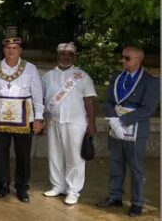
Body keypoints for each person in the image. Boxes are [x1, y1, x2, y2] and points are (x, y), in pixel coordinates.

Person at [97, 46, 160, 217]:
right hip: (116, 127)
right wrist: (114, 120)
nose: (123, 60)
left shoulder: (150, 81)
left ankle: (137, 203)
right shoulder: (117, 77)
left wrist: (122, 121)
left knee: (136, 168)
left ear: (139, 60)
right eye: (122, 57)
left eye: (127, 58)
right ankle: (115, 196)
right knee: (116, 165)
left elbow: (148, 109)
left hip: (136, 129)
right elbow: (108, 101)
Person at [0, 37, 44, 203]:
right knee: (1, 154)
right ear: (3, 50)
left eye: (15, 48)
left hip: (24, 119)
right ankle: (3, 185)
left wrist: (39, 117)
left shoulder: (30, 68)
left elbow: (38, 94)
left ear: (20, 50)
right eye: (8, 48)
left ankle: (22, 187)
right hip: (0, 117)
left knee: (23, 155)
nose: (11, 51)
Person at [41, 42, 96, 206]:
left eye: (69, 55)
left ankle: (73, 190)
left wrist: (91, 123)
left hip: (76, 122)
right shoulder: (48, 76)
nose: (65, 57)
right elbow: (42, 100)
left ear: (74, 57)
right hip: (54, 121)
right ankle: (58, 186)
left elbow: (90, 100)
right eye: (62, 54)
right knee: (55, 155)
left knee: (75, 158)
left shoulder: (82, 76)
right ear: (57, 56)